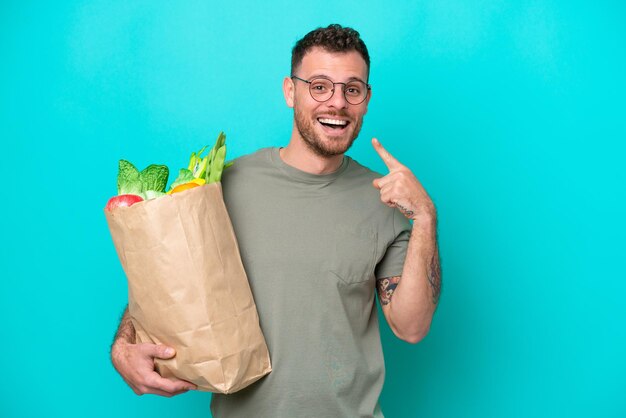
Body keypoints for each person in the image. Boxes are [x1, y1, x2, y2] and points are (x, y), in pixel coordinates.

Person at [110, 24, 441, 417]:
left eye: (352, 89)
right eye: (320, 86)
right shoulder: (225, 185)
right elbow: (167, 283)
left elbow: (412, 326)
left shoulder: (385, 200)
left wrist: (425, 216)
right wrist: (123, 344)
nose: (337, 102)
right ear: (290, 91)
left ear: (366, 100)